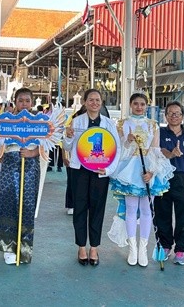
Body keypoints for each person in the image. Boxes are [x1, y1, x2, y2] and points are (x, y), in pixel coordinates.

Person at [108, 93, 174, 267]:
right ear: (130, 105)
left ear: (146, 106)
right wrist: (126, 140)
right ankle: (133, 249)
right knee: (130, 209)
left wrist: (152, 172)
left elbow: (155, 150)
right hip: (128, 171)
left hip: (147, 171)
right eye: (136, 103)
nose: (139, 107)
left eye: (142, 104)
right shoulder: (122, 124)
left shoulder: (153, 125)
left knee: (146, 210)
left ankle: (143, 249)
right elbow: (117, 151)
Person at [63, 89, 121, 266]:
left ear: (101, 102)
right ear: (85, 102)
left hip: (100, 172)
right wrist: (68, 136)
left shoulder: (109, 123)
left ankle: (94, 247)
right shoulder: (77, 121)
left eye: (97, 100)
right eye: (91, 100)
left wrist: (109, 170)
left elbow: (117, 149)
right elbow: (67, 146)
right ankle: (81, 246)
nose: (94, 103)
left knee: (97, 209)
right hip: (80, 171)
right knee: (80, 208)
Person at [0, 88, 41, 264]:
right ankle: (8, 246)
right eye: (20, 100)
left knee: (27, 205)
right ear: (15, 101)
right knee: (8, 203)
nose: (24, 104)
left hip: (30, 166)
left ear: (32, 102)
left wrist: (32, 153)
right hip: (10, 164)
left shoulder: (39, 123)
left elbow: (46, 145)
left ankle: (24, 248)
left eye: (27, 100)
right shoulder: (5, 121)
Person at [154, 101, 184, 266]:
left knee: (183, 216)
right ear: (166, 116)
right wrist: (171, 154)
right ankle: (165, 245)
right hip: (163, 178)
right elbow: (157, 151)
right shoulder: (159, 133)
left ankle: (181, 249)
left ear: (182, 116)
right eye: (171, 113)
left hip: (183, 179)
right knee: (162, 214)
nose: (174, 116)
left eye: (178, 113)